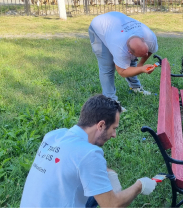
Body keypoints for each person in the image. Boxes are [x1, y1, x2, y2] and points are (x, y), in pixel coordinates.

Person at [20, 95, 157, 207]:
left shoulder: (53, 135)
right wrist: (140, 185)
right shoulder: (89, 154)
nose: (114, 134)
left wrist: (107, 171)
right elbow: (112, 205)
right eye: (114, 128)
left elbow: (70, 162)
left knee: (99, 185)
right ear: (101, 125)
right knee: (106, 196)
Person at [89, 11, 158, 104]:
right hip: (99, 26)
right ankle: (111, 101)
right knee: (107, 66)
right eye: (142, 55)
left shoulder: (149, 36)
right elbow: (122, 71)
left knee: (131, 61)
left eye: (145, 51)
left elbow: (150, 50)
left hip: (115, 23)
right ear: (128, 51)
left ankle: (135, 87)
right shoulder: (119, 48)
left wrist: (141, 63)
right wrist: (141, 69)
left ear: (143, 40)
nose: (146, 55)